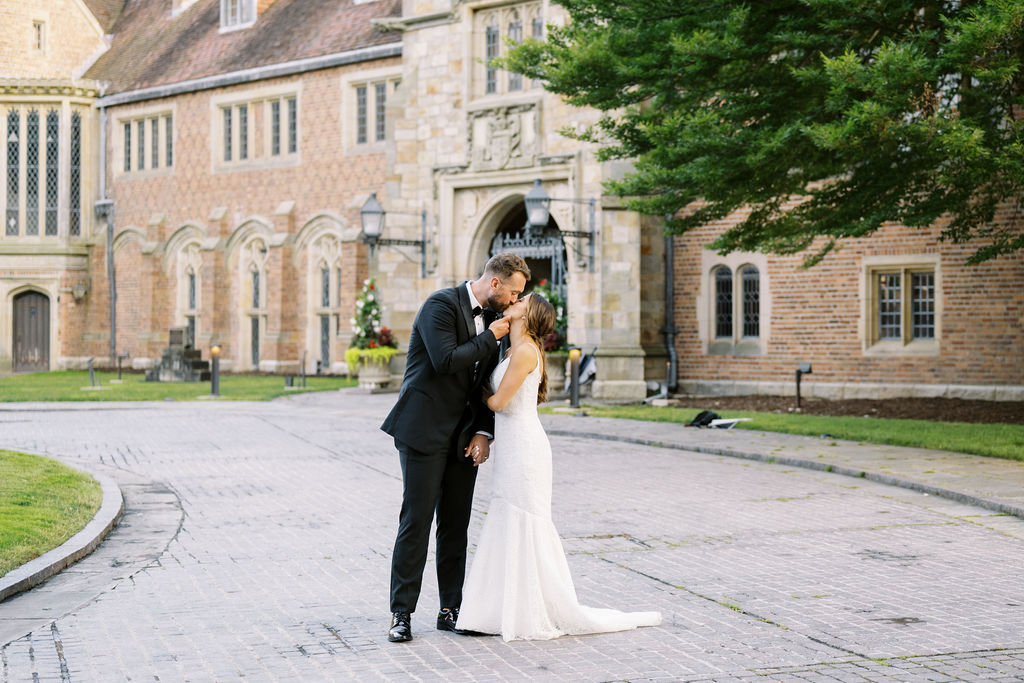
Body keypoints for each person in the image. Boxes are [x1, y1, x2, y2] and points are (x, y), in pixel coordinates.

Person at [456, 293, 662, 640]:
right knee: (507, 515)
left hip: (525, 447)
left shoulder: (523, 353)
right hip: (512, 446)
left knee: (524, 518)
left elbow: (499, 402)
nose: (515, 301)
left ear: (528, 314)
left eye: (522, 301)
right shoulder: (510, 349)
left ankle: (529, 610)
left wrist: (468, 389)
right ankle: (496, 610)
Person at [381, 252, 530, 643]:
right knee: (416, 521)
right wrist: (493, 335)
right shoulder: (440, 305)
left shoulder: (497, 323)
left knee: (455, 526)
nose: (516, 302)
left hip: (464, 438)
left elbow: (487, 385)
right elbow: (446, 361)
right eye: (514, 293)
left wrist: (483, 431)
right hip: (423, 430)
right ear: (495, 283)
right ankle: (401, 614)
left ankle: (451, 610)